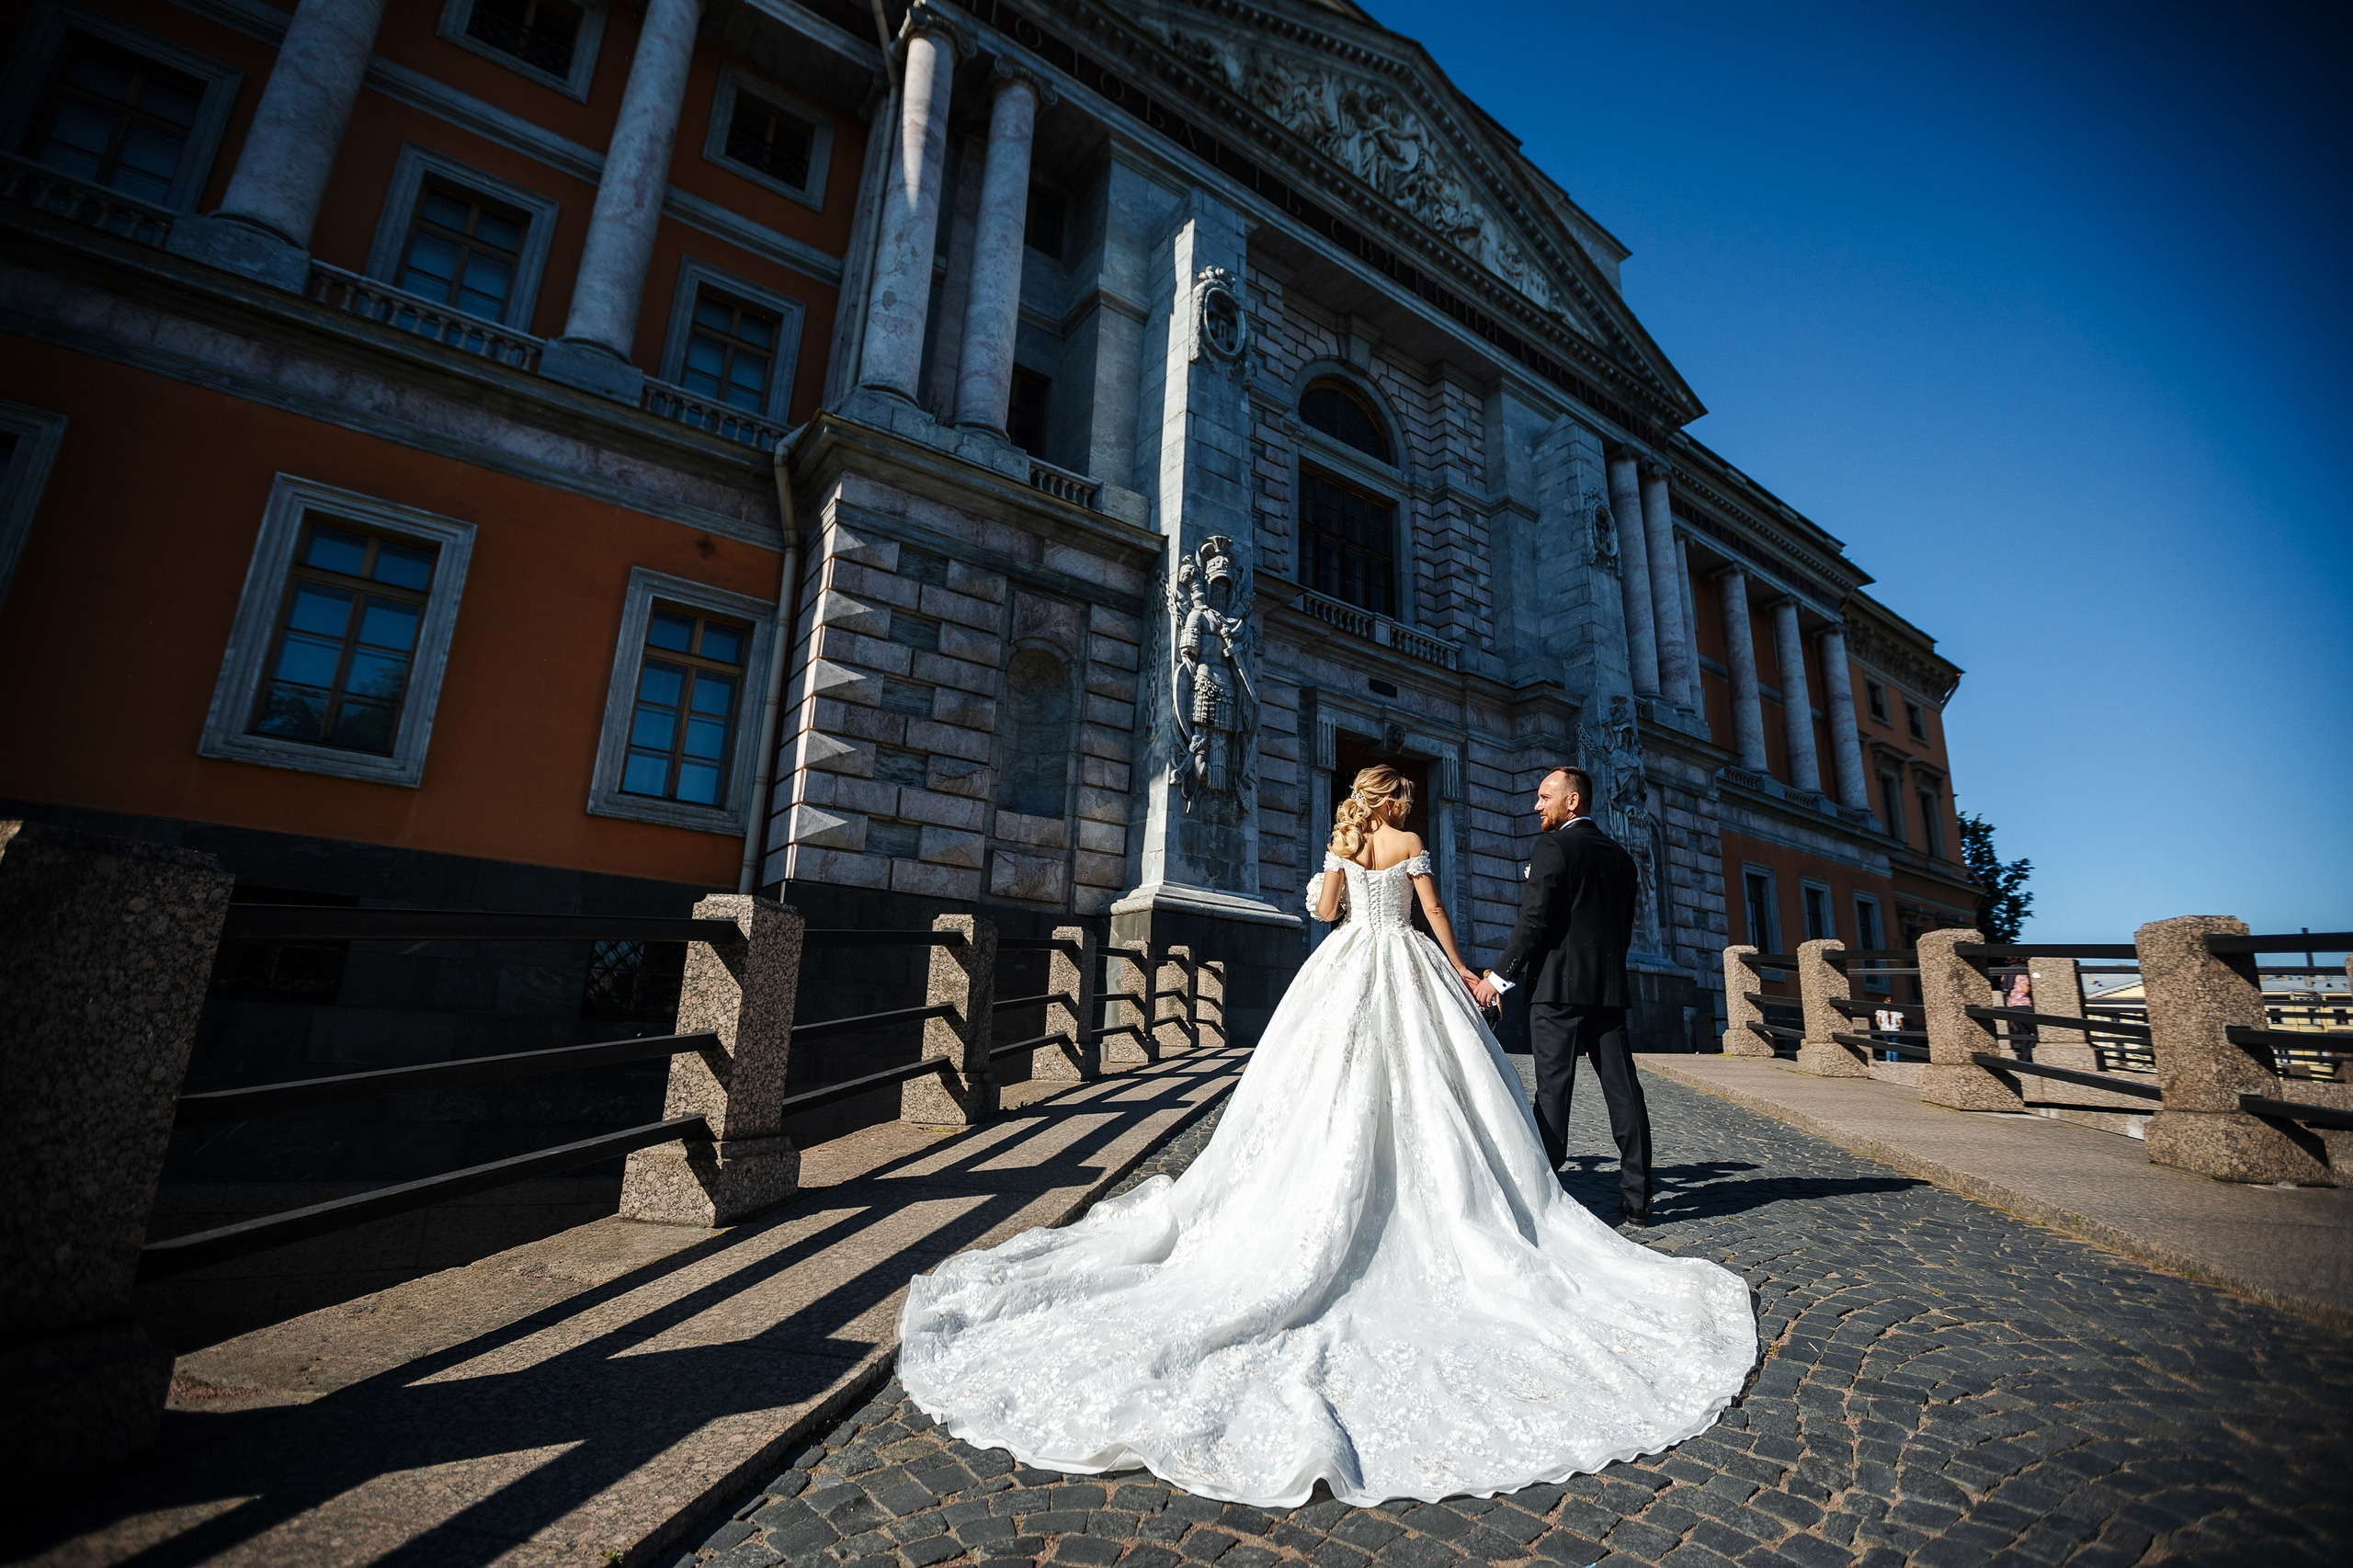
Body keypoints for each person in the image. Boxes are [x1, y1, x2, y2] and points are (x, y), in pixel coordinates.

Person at [897, 765, 1756, 1507]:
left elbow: (1325, 914)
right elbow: (1432, 916)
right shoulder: (1424, 842)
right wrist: (1463, 973)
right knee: (1454, 1089)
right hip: (1415, 969)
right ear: (1397, 804)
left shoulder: (1345, 846)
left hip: (1344, 973)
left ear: (1358, 803)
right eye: (1404, 795)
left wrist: (1333, 871)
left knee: (1319, 1092)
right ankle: (1539, 1187)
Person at [1472, 767, 1651, 1226]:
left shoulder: (1553, 847)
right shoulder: (1623, 859)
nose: (1537, 806)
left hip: (1556, 991)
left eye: (1545, 797)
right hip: (1608, 993)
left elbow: (1534, 922)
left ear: (1573, 802)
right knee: (1624, 1091)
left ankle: (1542, 1196)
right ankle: (1638, 1202)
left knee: (1553, 1091)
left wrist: (1498, 978)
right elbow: (1622, 930)